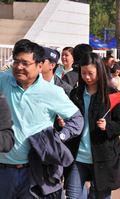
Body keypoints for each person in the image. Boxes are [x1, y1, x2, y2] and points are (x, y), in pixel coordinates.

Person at [0, 40, 84, 198]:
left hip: (36, 174)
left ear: (39, 66)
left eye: (25, 63)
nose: (18, 67)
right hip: (3, 173)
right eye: (16, 61)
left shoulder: (52, 92)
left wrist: (59, 137)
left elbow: (77, 119)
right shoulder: (3, 81)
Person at [64, 52, 120, 199]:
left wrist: (108, 126)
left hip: (104, 155)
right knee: (72, 195)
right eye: (83, 73)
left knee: (101, 195)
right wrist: (62, 123)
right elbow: (69, 120)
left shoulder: (110, 94)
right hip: (78, 155)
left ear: (99, 71)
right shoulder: (76, 94)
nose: (87, 77)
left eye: (90, 73)